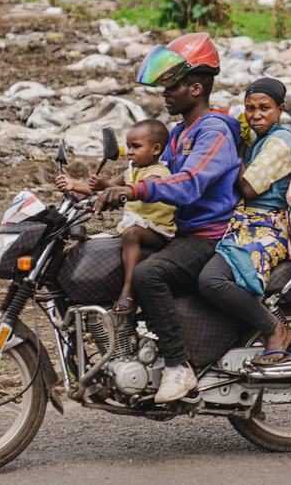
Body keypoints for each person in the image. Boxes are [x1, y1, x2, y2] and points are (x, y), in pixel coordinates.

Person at [94, 33, 241, 403]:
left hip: (210, 236)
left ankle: (178, 366)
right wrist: (104, 188)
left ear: (196, 89)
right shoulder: (179, 133)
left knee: (149, 274)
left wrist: (134, 191)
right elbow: (155, 174)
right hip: (183, 232)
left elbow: (188, 183)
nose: (165, 93)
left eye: (172, 86)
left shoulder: (214, 132)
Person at [198, 78, 291, 366]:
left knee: (211, 280)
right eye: (250, 108)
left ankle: (274, 328)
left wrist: (232, 148)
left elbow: (249, 187)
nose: (256, 115)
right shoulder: (259, 139)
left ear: (280, 109)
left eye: (264, 108)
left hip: (266, 229)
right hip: (244, 223)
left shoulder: (279, 143)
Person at [56, 119, 175, 314]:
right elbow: (103, 190)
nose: (130, 152)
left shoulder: (159, 173)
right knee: (91, 239)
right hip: (133, 224)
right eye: (128, 146)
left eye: (136, 146)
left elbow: (133, 190)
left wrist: (106, 186)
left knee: (131, 235)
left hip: (157, 229)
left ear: (156, 149)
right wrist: (73, 185)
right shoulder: (131, 170)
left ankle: (128, 290)